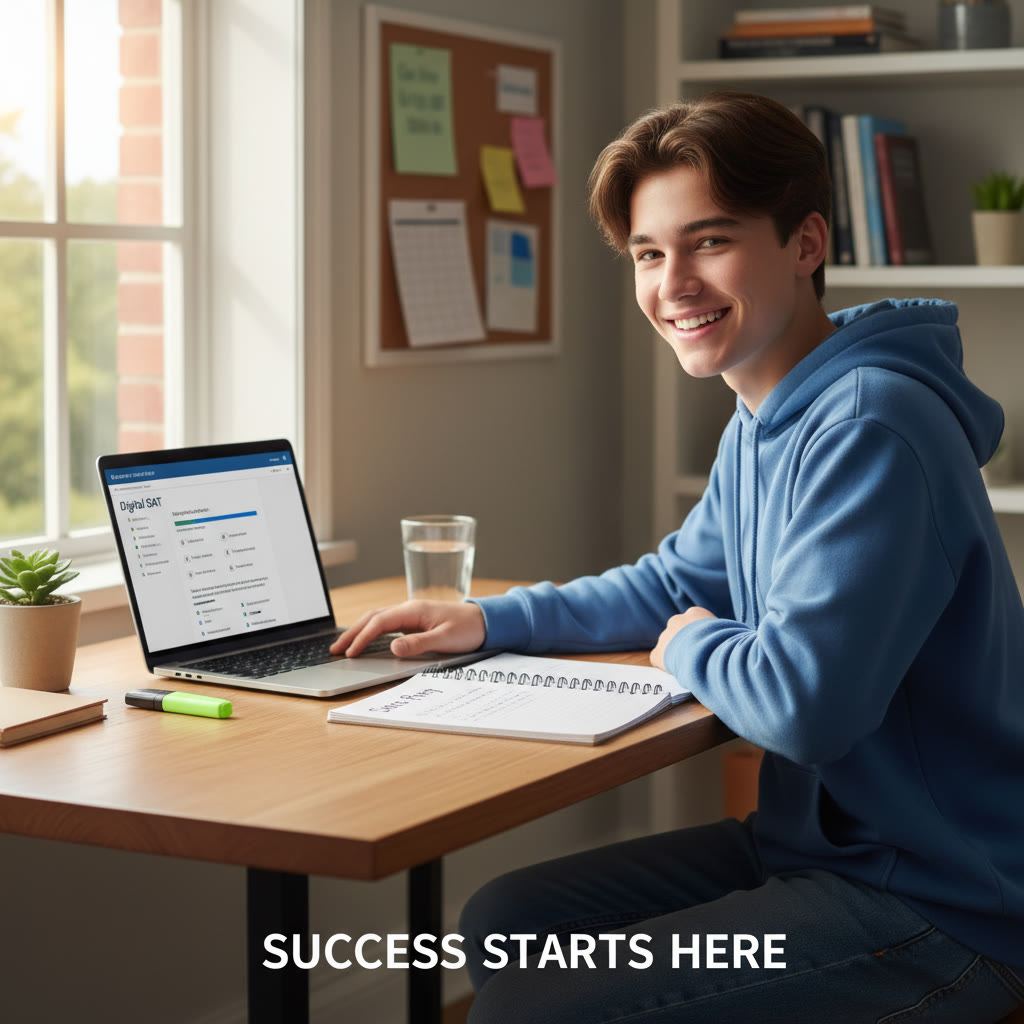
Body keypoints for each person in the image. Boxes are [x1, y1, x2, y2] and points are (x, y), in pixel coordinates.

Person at [331, 92, 1024, 1022]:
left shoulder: (869, 425)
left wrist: (692, 643)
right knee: (505, 924)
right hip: (823, 849)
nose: (674, 284)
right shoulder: (766, 414)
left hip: (944, 899)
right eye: (649, 254)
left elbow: (802, 706)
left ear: (806, 242)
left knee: (535, 1008)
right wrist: (490, 620)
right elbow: (676, 582)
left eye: (710, 242)